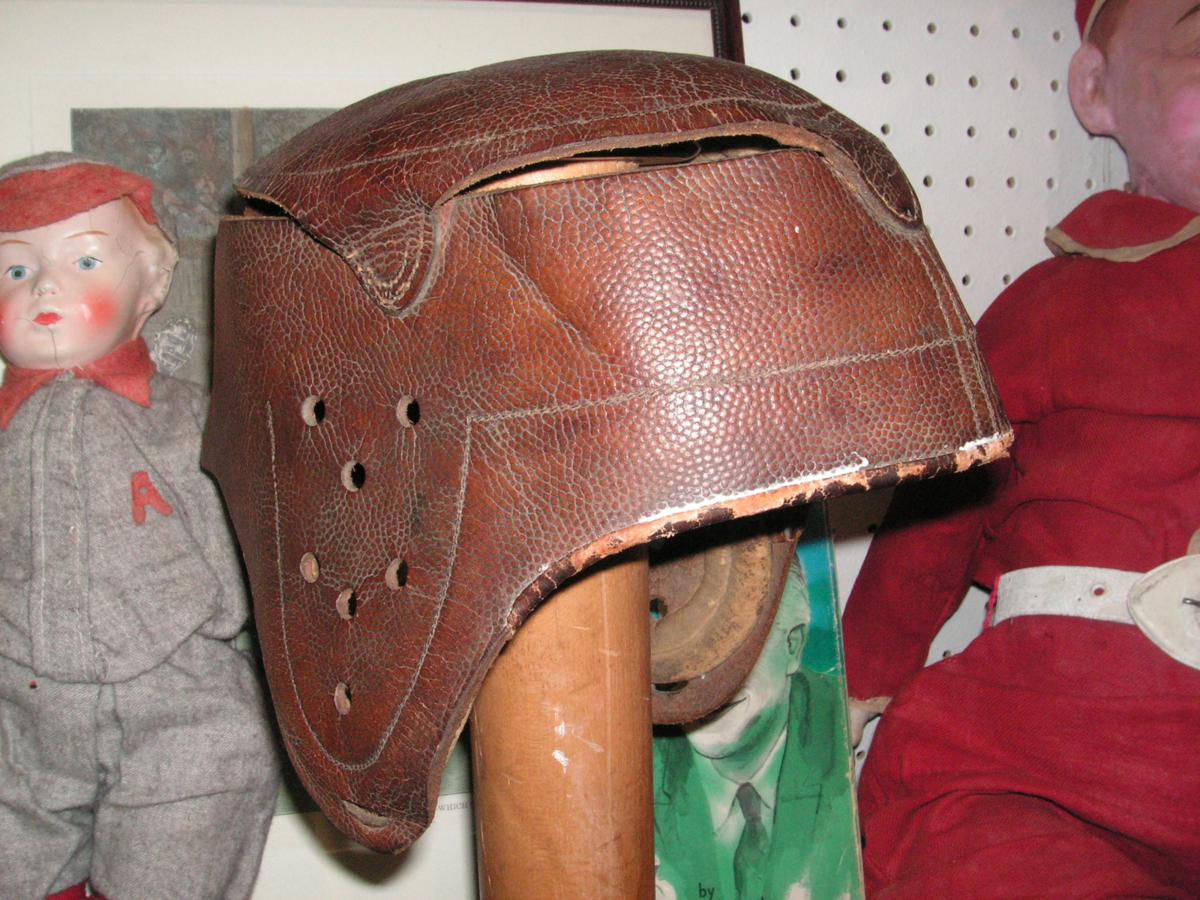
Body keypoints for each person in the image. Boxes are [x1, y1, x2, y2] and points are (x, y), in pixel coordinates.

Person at [841, 1, 1200, 895]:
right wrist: (853, 684)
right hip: (1035, 763)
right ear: (1096, 88)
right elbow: (939, 515)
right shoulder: (1058, 305)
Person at [0, 153, 280, 900]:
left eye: (85, 261)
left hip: (178, 700)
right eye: (16, 270)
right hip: (22, 707)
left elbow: (237, 545)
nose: (45, 287)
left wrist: (224, 614)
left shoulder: (187, 419)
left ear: (151, 285)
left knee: (181, 850)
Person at [654, 557, 857, 900]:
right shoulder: (630, 759)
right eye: (678, 646)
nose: (701, 681)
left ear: (792, 646)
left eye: (732, 647)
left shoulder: (834, 727)